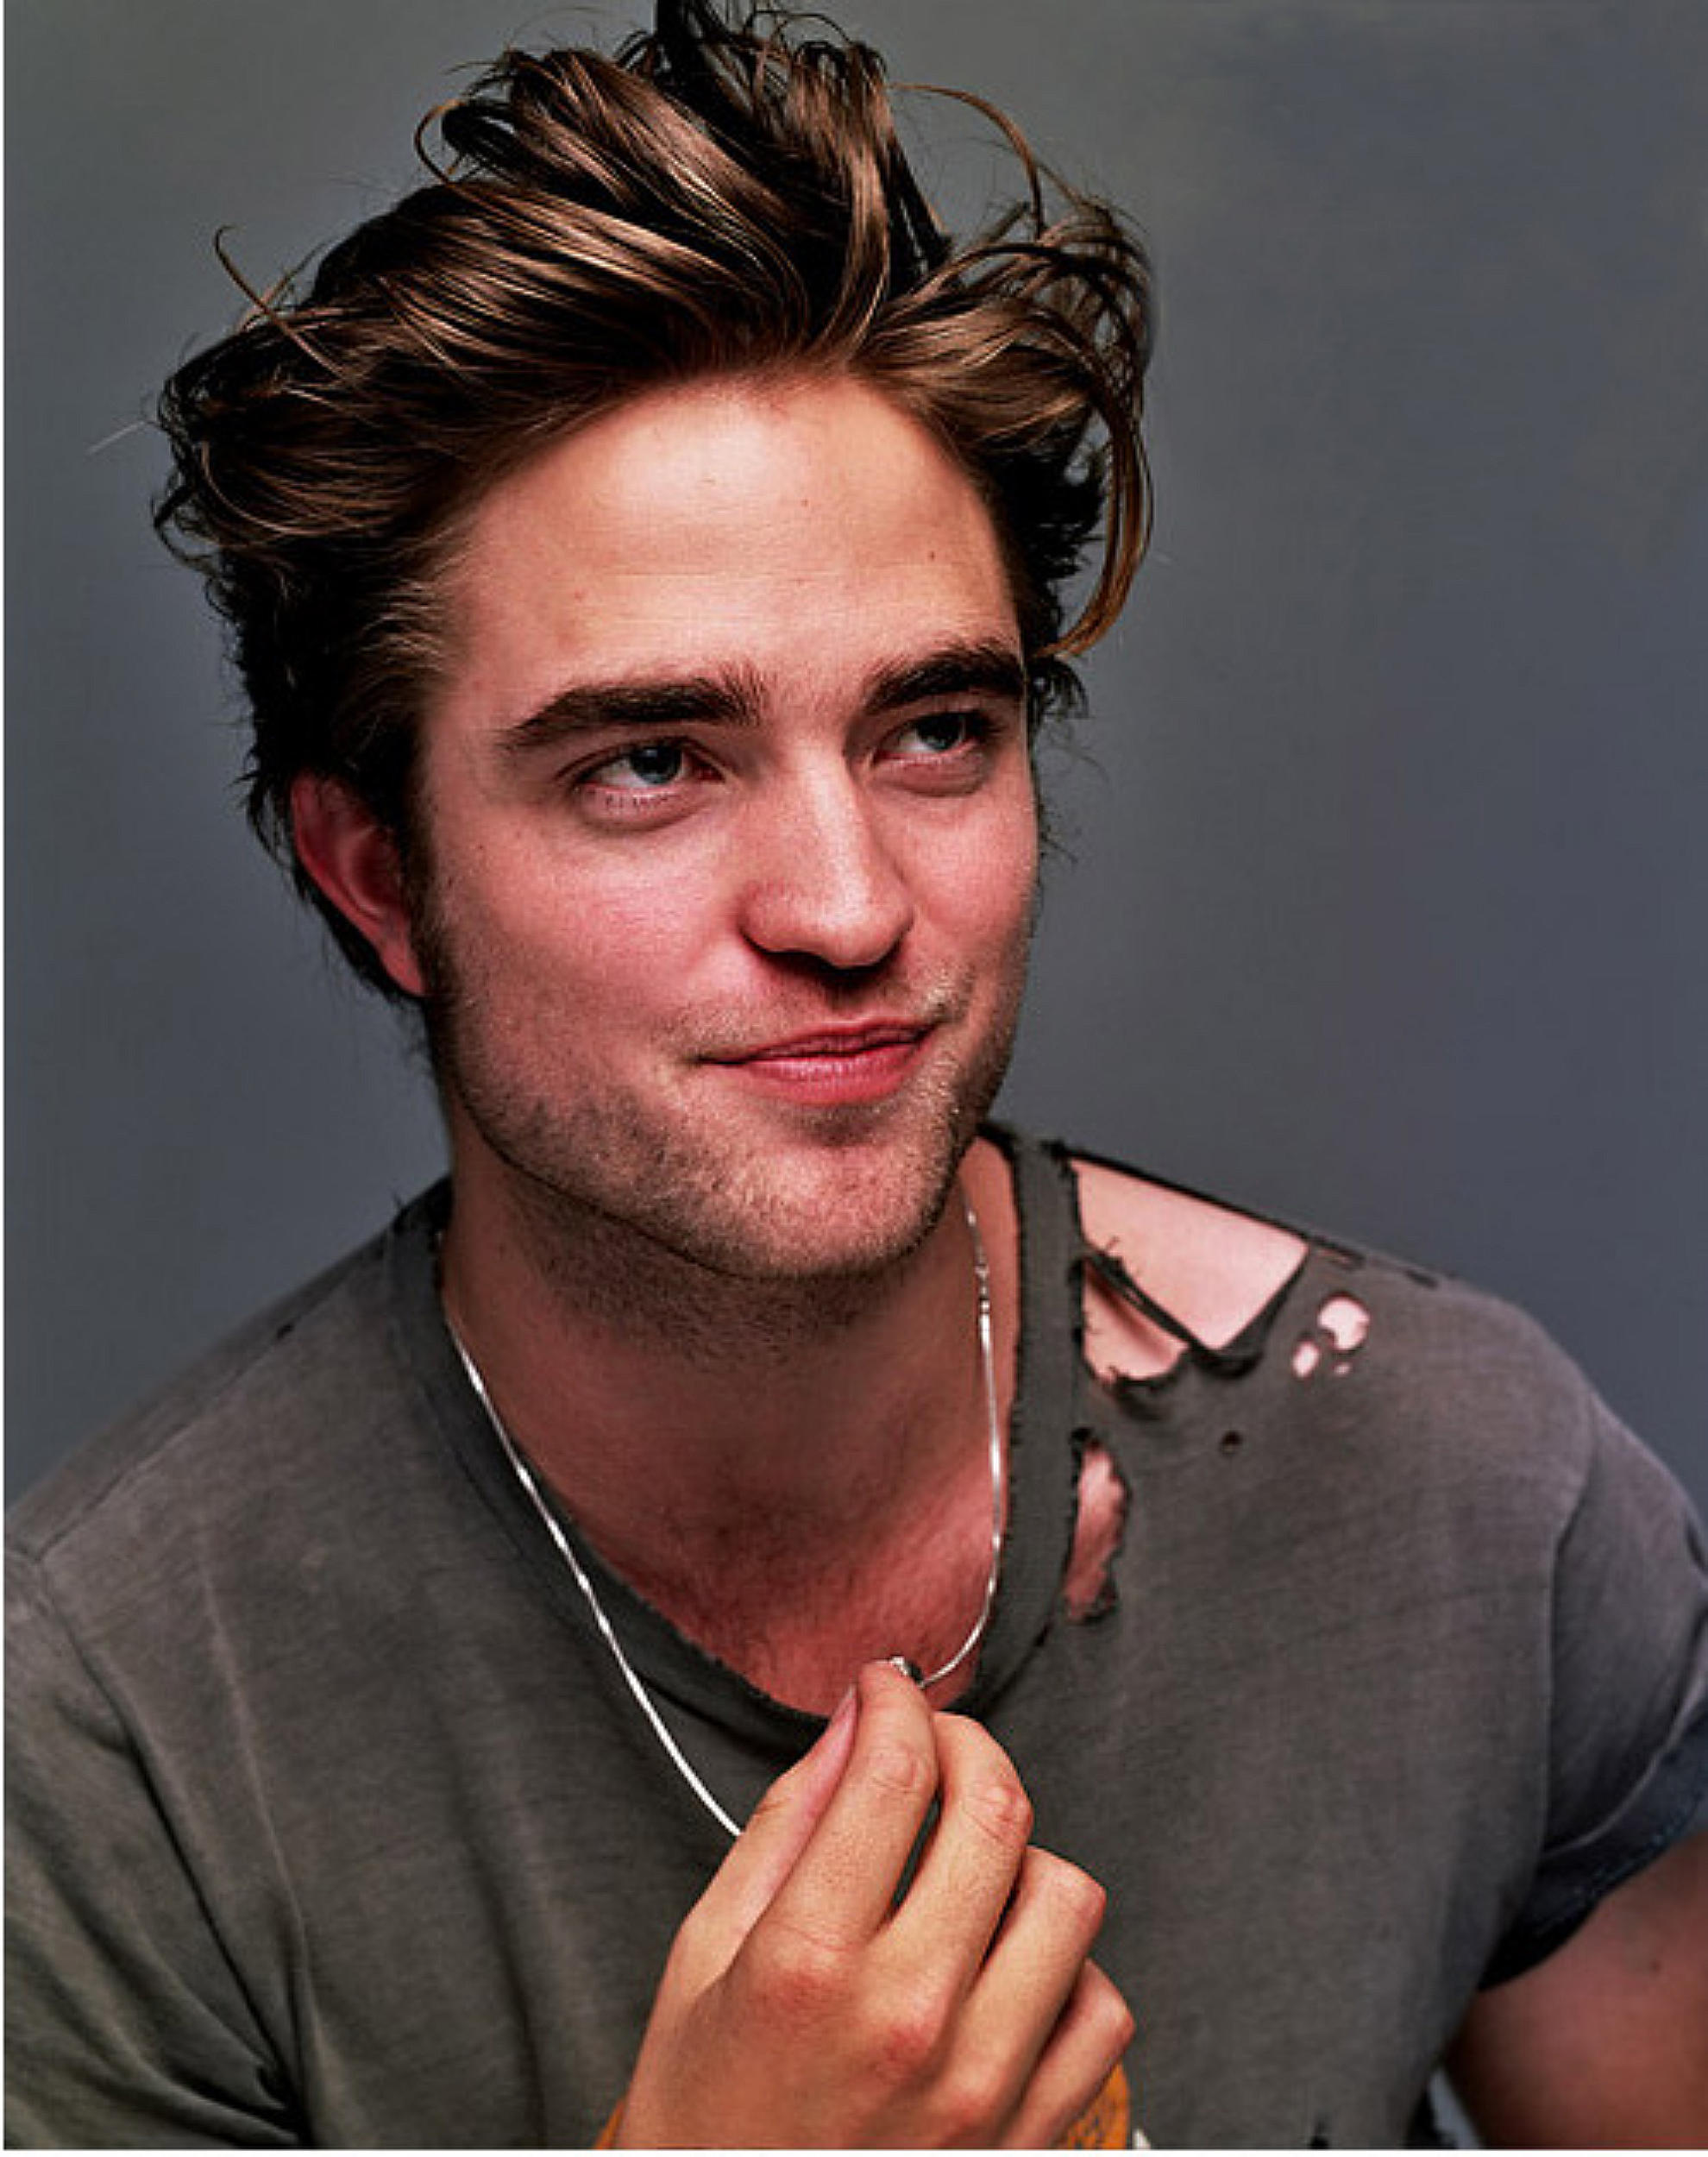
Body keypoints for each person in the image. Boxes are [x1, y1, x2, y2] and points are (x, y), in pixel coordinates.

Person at [7, 0, 1705, 2144]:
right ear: (381, 874)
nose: (846, 901)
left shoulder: (1459, 1484)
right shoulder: (105, 1744)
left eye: (933, 731)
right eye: (651, 760)